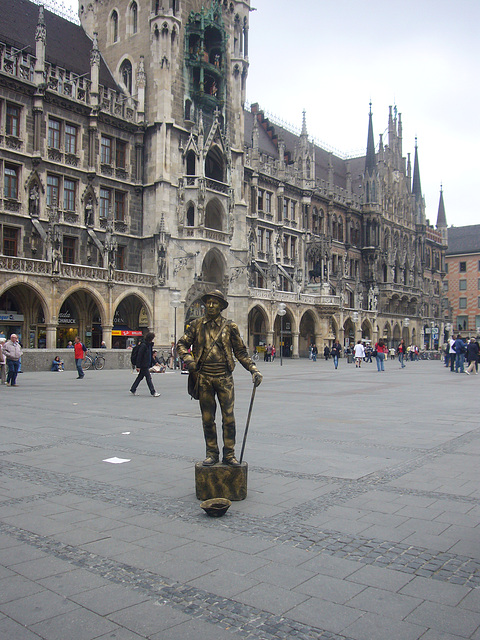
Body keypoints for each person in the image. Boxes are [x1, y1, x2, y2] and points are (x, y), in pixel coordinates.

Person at [177, 289, 263, 467]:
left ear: (221, 306)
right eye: (208, 302)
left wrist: (253, 369)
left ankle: (229, 454)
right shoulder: (196, 325)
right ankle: (211, 453)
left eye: (214, 302)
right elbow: (182, 344)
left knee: (229, 418)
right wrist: (189, 360)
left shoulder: (230, 327)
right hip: (204, 378)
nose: (210, 305)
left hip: (224, 378)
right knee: (208, 418)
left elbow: (240, 351)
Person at [130, 332, 160, 396]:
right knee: (148, 378)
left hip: (146, 364)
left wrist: (155, 362)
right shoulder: (143, 345)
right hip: (144, 364)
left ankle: (133, 389)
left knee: (140, 377)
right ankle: (153, 392)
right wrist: (138, 366)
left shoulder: (149, 345)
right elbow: (139, 355)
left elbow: (150, 355)